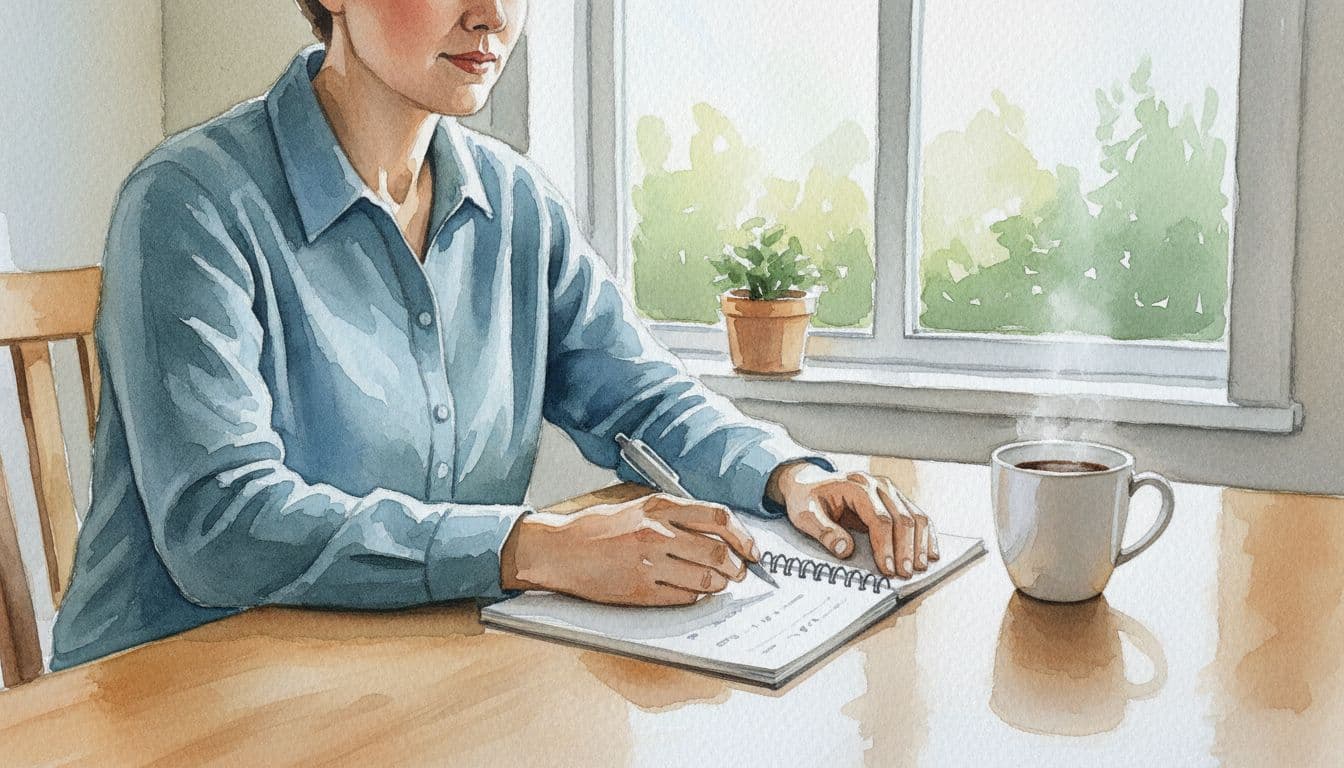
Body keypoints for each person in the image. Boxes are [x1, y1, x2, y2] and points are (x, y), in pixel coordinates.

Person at [51, 0, 937, 670]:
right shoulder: (190, 203)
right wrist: (532, 546)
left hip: (399, 676)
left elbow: (640, 394)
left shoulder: (514, 203)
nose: (494, 15)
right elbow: (221, 525)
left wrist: (788, 476)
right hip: (171, 694)